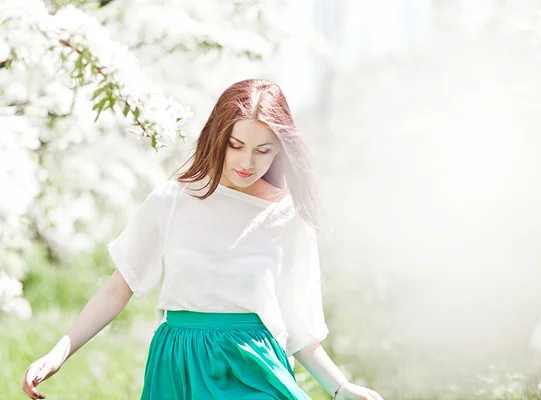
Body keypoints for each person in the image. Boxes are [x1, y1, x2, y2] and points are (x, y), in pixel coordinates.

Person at [22, 79, 384, 400]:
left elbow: (300, 331)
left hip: (253, 365)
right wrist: (58, 353)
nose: (247, 161)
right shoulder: (172, 201)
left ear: (279, 151)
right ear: (217, 136)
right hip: (178, 364)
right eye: (236, 144)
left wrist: (340, 388)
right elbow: (120, 287)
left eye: (263, 150)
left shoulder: (288, 217)